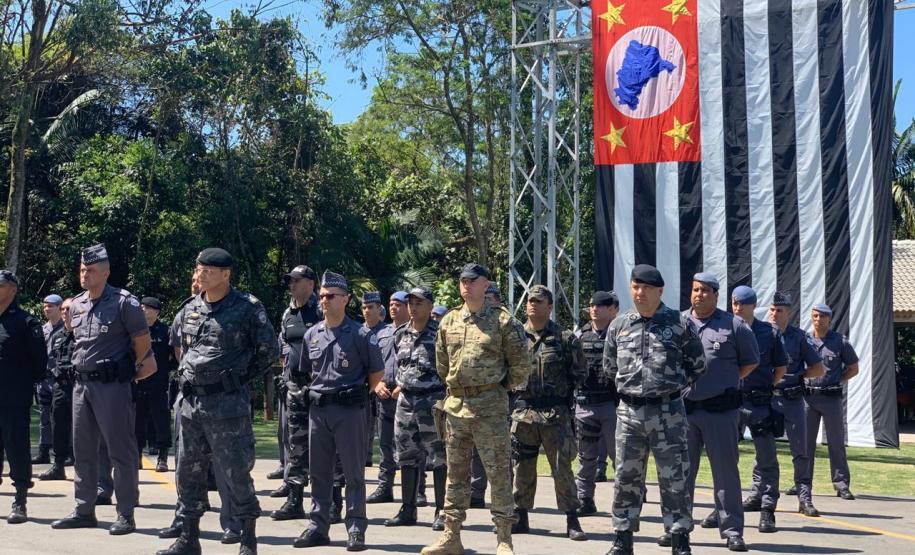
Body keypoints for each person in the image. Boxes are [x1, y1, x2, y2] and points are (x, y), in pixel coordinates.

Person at [157, 248, 277, 555]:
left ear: (226, 274)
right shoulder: (189, 308)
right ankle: (188, 538)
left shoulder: (247, 308)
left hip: (226, 406)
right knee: (188, 472)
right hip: (190, 405)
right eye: (200, 269)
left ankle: (248, 537)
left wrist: (235, 379)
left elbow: (268, 352)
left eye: (209, 270)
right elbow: (180, 350)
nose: (201, 274)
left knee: (235, 471)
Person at [421, 263, 530, 555]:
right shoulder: (450, 321)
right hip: (456, 407)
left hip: (490, 408)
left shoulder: (503, 321)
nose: (466, 285)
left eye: (473, 280)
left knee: (498, 474)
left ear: (486, 285)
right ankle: (451, 536)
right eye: (462, 280)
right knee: (455, 476)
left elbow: (520, 366)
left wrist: (494, 387)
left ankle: (504, 538)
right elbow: (442, 363)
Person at [51, 244, 156, 535]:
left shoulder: (125, 302)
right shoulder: (78, 304)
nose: (85, 274)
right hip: (81, 385)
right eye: (83, 269)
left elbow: (142, 343)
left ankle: (125, 513)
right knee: (82, 450)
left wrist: (126, 370)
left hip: (112, 386)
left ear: (106, 272)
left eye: (91, 270)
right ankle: (84, 508)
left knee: (120, 451)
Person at [604, 265, 704, 555]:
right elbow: (610, 367)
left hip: (668, 412)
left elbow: (698, 365)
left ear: (660, 291)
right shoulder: (619, 326)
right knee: (625, 476)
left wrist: (671, 387)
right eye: (636, 287)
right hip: (629, 413)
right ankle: (622, 539)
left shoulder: (679, 324)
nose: (640, 293)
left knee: (675, 478)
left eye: (647, 288)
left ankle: (679, 538)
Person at [293, 271, 384, 551]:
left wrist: (353, 395)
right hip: (319, 411)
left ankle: (356, 527)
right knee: (319, 473)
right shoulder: (312, 334)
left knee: (354, 474)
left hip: (349, 411)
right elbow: (307, 372)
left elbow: (377, 374)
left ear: (345, 299)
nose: (324, 301)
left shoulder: (360, 334)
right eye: (321, 296)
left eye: (330, 296)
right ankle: (317, 526)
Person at [158, 269, 242, 545]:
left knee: (224, 464)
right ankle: (183, 522)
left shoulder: (234, 309)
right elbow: (180, 351)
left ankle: (232, 523)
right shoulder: (185, 312)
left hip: (220, 400)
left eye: (202, 277)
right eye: (194, 278)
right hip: (188, 397)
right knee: (185, 465)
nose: (197, 282)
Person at [679, 273, 758, 552]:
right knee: (680, 474)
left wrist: (723, 380)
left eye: (705, 291)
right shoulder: (677, 323)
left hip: (720, 411)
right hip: (685, 412)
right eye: (695, 289)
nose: (699, 295)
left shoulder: (734, 326)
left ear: (715, 295)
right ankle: (679, 528)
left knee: (725, 474)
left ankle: (733, 530)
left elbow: (749, 363)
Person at [511, 285, 587, 541]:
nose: (533, 304)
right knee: (522, 466)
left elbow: (579, 373)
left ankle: (572, 519)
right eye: (530, 301)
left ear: (550, 306)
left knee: (561, 467)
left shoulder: (565, 338)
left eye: (539, 301)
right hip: (524, 413)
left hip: (555, 413)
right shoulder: (515, 336)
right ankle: (520, 515)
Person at [384, 286, 447, 530]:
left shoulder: (440, 334)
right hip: (406, 402)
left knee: (440, 456)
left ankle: (442, 510)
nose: (413, 306)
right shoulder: (400, 334)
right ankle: (408, 509)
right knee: (407, 456)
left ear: (430, 306)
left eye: (419, 302)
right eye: (410, 302)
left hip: (433, 401)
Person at [730, 286, 788, 533]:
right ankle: (726, 507)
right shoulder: (725, 329)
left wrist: (766, 387)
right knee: (726, 458)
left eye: (743, 304)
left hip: (760, 402)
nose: (738, 308)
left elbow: (780, 367)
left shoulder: (769, 332)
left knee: (766, 457)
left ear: (753, 306)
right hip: (731, 402)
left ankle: (767, 509)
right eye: (734, 303)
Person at [767, 292, 825, 516]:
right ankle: (760, 494)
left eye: (779, 310)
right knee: (764, 451)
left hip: (792, 398)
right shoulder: (761, 333)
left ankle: (804, 498)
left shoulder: (799, 337)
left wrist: (798, 375)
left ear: (788, 314)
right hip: (768, 399)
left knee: (800, 451)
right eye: (772, 309)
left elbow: (818, 369)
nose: (774, 314)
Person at [271, 265, 321, 521]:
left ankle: (331, 502)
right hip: (294, 388)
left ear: (310, 283)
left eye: (296, 280)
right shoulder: (288, 314)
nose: (291, 284)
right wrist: (284, 376)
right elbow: (285, 346)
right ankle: (294, 500)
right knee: (296, 444)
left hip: (319, 388)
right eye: (290, 280)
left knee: (325, 446)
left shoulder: (322, 309)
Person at [0, 270, 50, 524]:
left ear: (12, 289)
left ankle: (20, 500)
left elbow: (39, 363)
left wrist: (20, 383)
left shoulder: (26, 322)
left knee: (17, 448)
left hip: (13, 398)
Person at [805, 303, 859, 500]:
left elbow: (853, 368)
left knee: (836, 443)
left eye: (822, 316)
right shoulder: (805, 340)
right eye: (815, 316)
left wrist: (838, 380)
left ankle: (841, 484)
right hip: (809, 398)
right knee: (804, 444)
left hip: (831, 398)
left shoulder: (840, 341)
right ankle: (803, 483)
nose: (818, 320)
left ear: (830, 319)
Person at [574, 291, 619, 516]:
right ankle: (585, 499)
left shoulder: (621, 334)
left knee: (619, 458)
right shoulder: (580, 335)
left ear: (612, 309)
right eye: (592, 305)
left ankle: (626, 502)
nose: (594, 309)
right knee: (586, 458)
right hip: (586, 403)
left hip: (612, 405)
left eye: (600, 305)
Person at [367, 291, 408, 504]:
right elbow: (373, 364)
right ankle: (385, 486)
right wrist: (378, 384)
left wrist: (403, 385)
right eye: (391, 304)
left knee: (410, 444)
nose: (394, 308)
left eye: (399, 304)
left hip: (407, 394)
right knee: (384, 443)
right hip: (383, 392)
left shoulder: (414, 331)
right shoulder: (381, 333)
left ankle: (416, 490)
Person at [137, 297, 177, 473]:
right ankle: (136, 455)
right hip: (138, 384)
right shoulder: (135, 331)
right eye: (142, 307)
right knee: (136, 423)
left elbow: (175, 357)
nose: (143, 310)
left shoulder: (165, 332)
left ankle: (162, 457)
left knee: (161, 422)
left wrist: (165, 371)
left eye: (147, 308)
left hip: (158, 385)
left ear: (156, 311)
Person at [40, 298, 77, 482]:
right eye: (62, 309)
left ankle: (83, 465)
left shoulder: (83, 333)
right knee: (58, 425)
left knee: (82, 427)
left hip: (79, 386)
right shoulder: (57, 335)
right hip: (60, 386)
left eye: (68, 309)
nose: (64, 312)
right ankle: (58, 465)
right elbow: (49, 358)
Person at [33, 294, 64, 465]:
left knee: (60, 417)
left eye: (50, 306)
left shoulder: (66, 328)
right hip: (43, 379)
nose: (46, 309)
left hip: (59, 379)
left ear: (59, 307)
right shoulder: (42, 329)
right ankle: (43, 451)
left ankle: (63, 452)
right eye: (45, 306)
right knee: (44, 416)